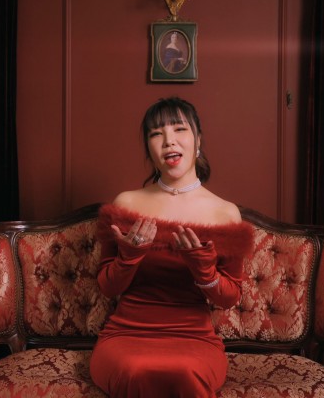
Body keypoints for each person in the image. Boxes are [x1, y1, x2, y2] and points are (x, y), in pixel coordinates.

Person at [89, 97, 253, 398]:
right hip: (126, 333)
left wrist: (204, 271)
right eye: (156, 134)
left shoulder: (225, 212)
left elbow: (229, 298)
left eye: (179, 129)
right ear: (149, 149)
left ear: (198, 140)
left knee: (185, 373)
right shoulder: (126, 203)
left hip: (194, 337)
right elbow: (107, 287)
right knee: (135, 370)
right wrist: (129, 258)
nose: (168, 140)